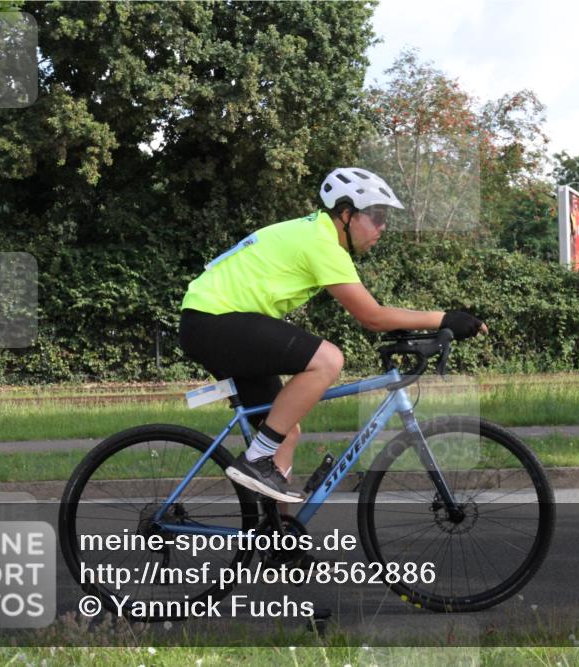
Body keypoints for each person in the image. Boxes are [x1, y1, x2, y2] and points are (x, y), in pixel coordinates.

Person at [178, 167, 487, 503]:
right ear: (346, 214)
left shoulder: (315, 232)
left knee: (285, 433)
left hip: (213, 322)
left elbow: (376, 313)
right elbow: (371, 316)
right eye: (377, 217)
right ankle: (254, 461)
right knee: (327, 359)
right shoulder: (321, 243)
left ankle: (281, 546)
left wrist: (417, 324)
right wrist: (445, 318)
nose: (382, 228)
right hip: (215, 320)